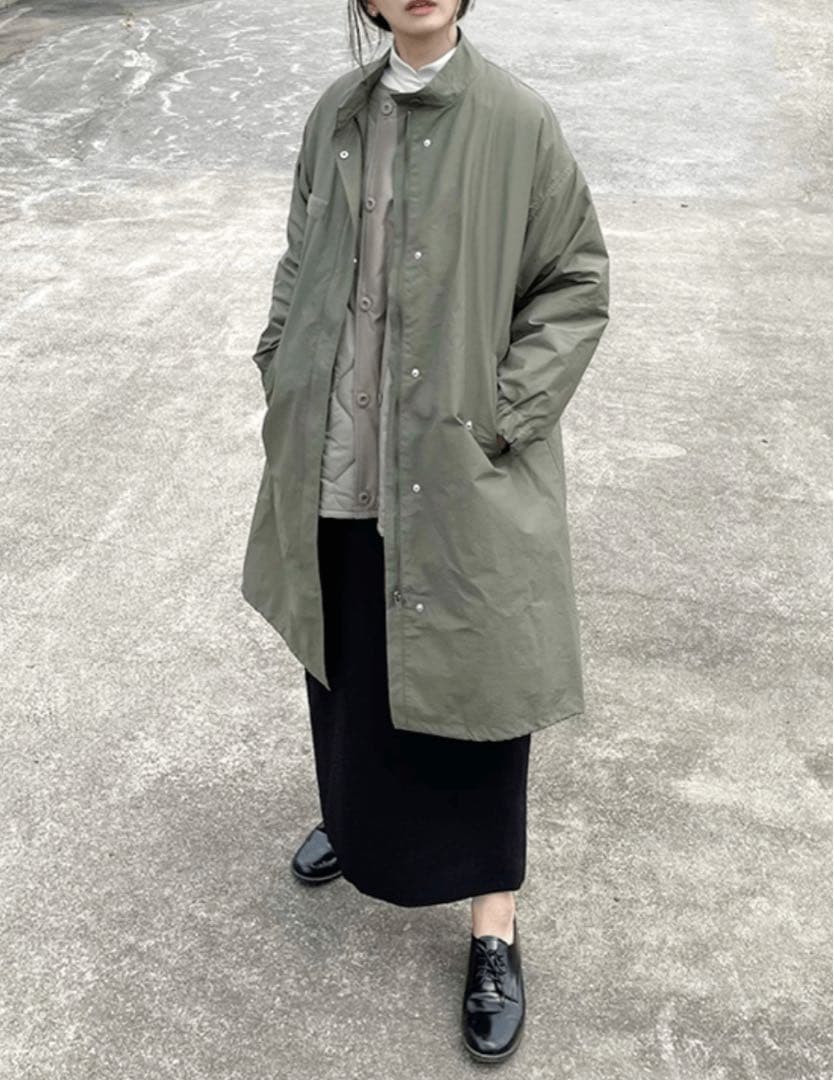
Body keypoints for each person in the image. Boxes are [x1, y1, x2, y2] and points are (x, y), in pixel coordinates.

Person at [241, 0, 609, 1062]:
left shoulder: (515, 121)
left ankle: (494, 927)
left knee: (479, 685)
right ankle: (354, 823)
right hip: (336, 454)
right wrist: (280, 362)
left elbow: (575, 283)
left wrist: (502, 415)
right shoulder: (336, 113)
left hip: (453, 466)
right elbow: (299, 255)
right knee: (352, 656)